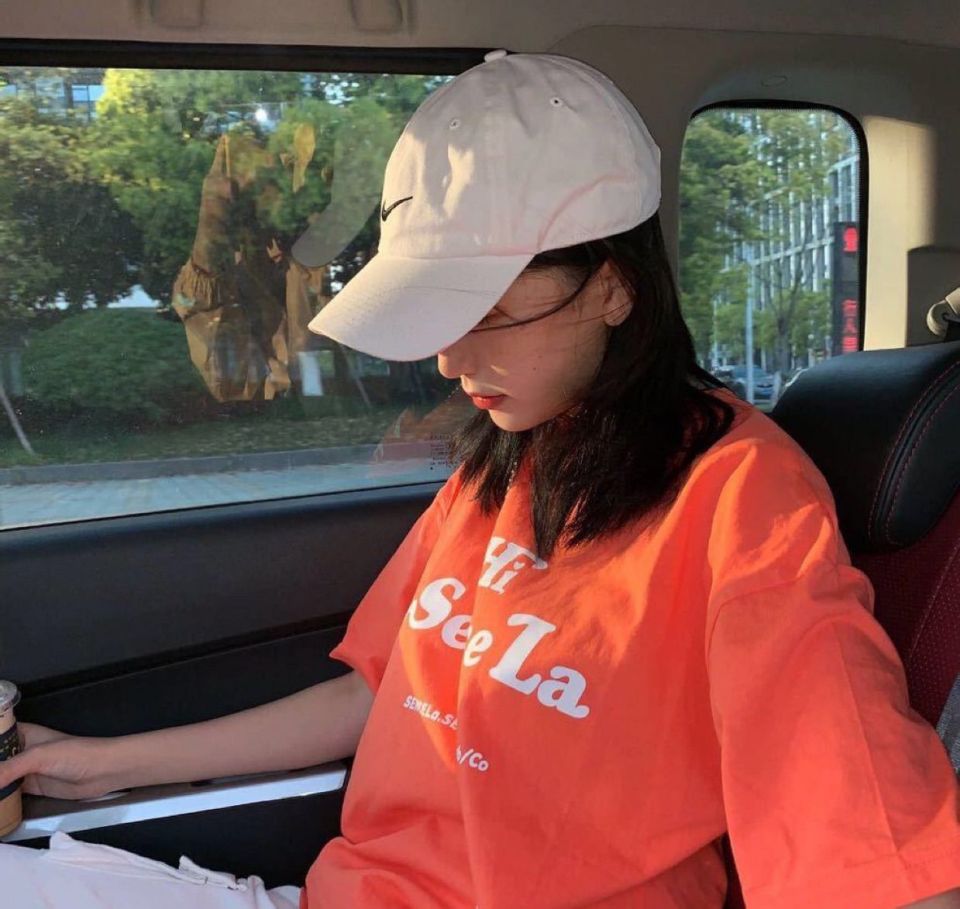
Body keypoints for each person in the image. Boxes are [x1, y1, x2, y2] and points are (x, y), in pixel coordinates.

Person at [1, 49, 959, 909]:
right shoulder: (509, 457)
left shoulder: (742, 499)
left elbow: (857, 829)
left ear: (615, 285)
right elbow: (379, 695)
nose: (450, 360)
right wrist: (101, 766)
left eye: (488, 313)